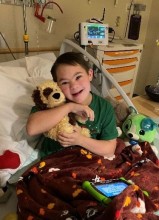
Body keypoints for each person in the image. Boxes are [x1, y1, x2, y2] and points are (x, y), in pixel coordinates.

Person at [26, 52, 118, 158]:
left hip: (87, 162)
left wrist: (80, 140)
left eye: (78, 77)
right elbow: (31, 129)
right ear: (57, 85)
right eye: (65, 82)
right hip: (55, 162)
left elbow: (110, 150)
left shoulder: (104, 107)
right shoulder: (53, 102)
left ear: (90, 74)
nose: (74, 86)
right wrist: (69, 107)